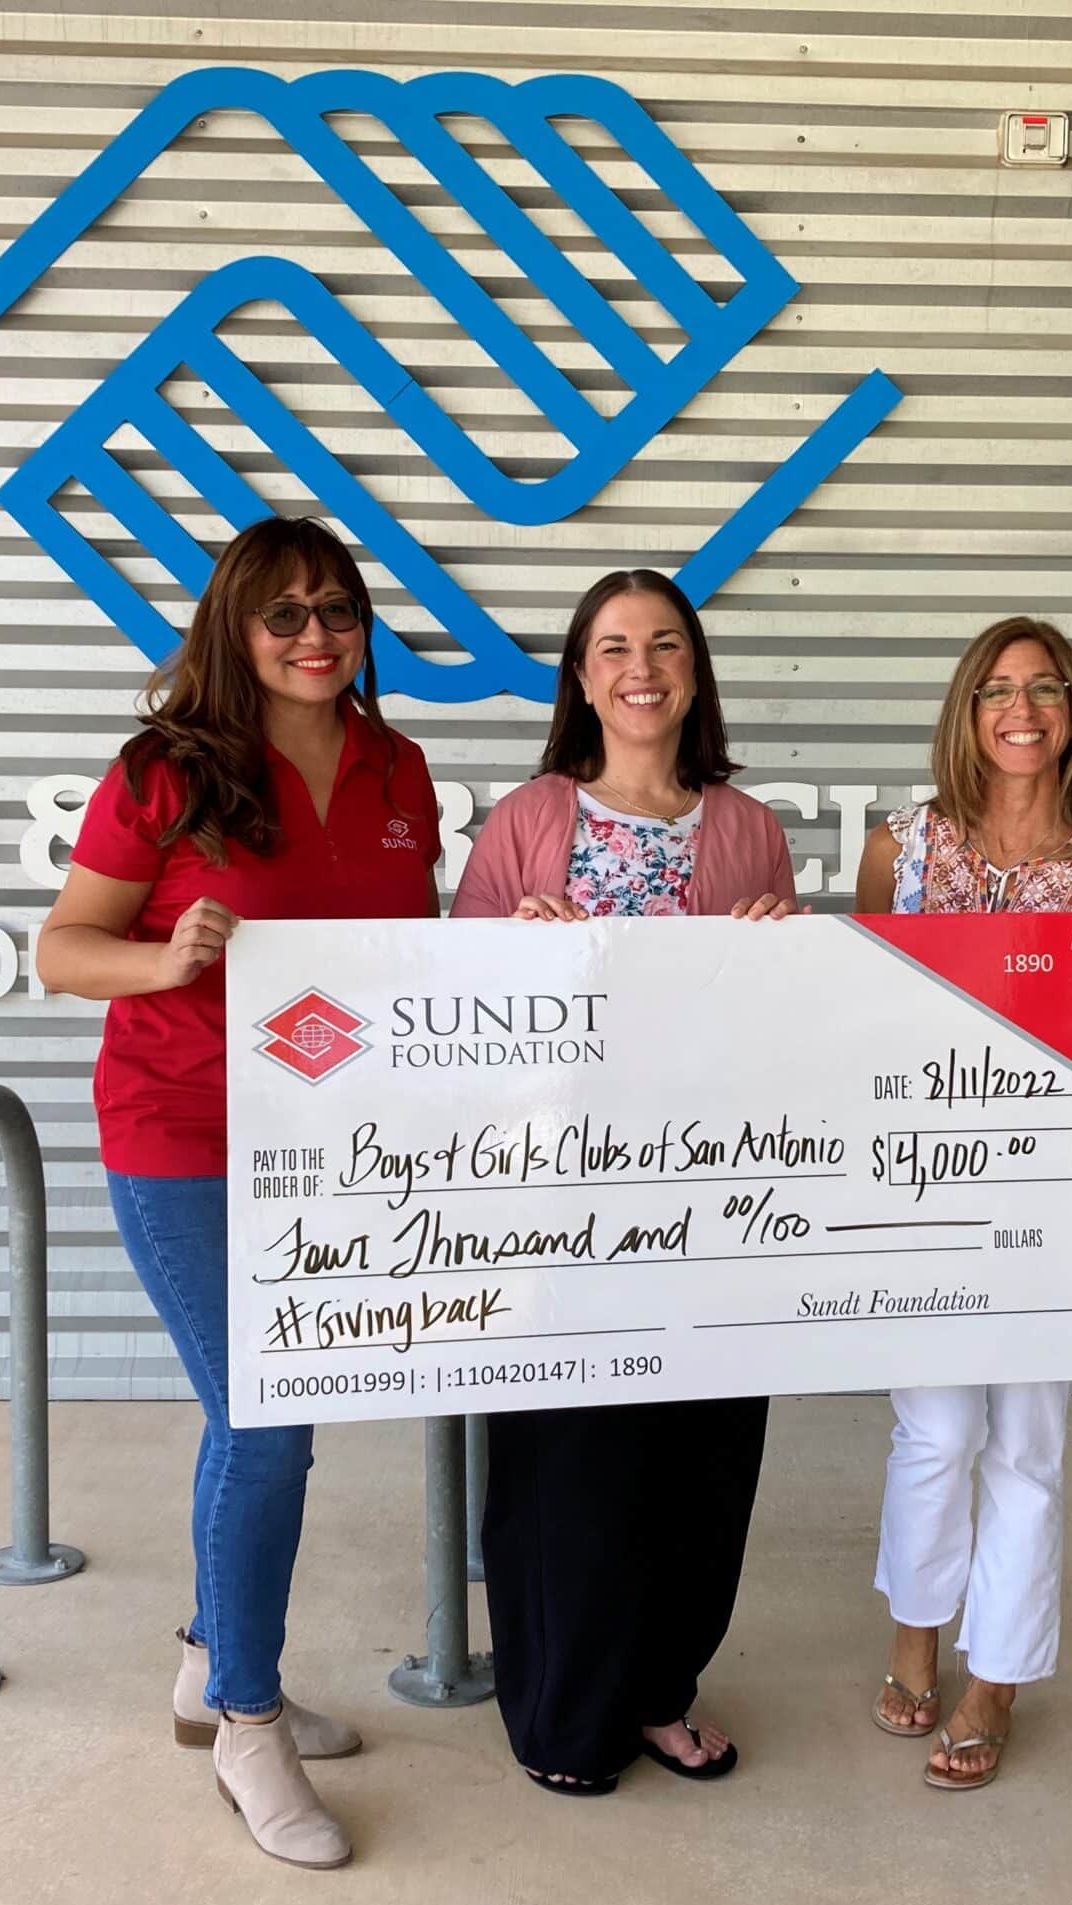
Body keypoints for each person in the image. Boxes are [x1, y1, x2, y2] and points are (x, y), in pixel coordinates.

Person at [38, 516, 443, 1870]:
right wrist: (163, 963)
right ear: (237, 632)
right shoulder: (168, 773)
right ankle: (249, 1721)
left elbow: (414, 969)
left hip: (333, 1143)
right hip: (183, 1135)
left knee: (281, 1412)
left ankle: (209, 1662)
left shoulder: (400, 768)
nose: (317, 635)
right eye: (285, 616)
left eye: (336, 610)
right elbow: (64, 947)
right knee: (266, 1418)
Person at [450, 568, 797, 1795]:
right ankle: (561, 1712)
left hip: (715, 1202)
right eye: (612, 647)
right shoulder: (529, 818)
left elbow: (792, 1027)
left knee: (704, 1461)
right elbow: (451, 1014)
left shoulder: (748, 827)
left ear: (693, 670)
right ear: (581, 677)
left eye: (663, 644)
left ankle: (662, 1689)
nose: (639, 667)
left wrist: (779, 960)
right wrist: (513, 952)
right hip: (557, 1205)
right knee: (572, 1466)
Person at [852, 615, 1072, 1791]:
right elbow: (855, 1019)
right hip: (917, 1180)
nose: (1020, 709)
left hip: (1041, 1193)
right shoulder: (901, 851)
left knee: (1024, 1445)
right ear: (966, 714)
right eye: (996, 690)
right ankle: (914, 1635)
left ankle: (996, 1679)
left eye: (1043, 689)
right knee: (934, 1431)